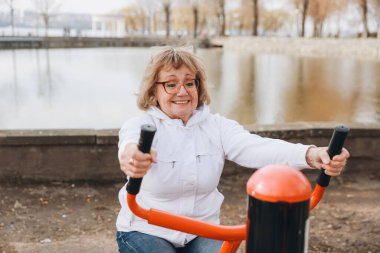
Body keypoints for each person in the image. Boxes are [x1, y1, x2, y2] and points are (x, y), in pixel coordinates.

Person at [116, 46, 350, 253]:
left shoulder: (217, 127)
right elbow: (129, 145)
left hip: (201, 229)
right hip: (147, 229)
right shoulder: (142, 126)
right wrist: (131, 158)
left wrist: (311, 154)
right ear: (153, 91)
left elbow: (256, 147)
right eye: (171, 84)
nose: (182, 91)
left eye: (189, 82)